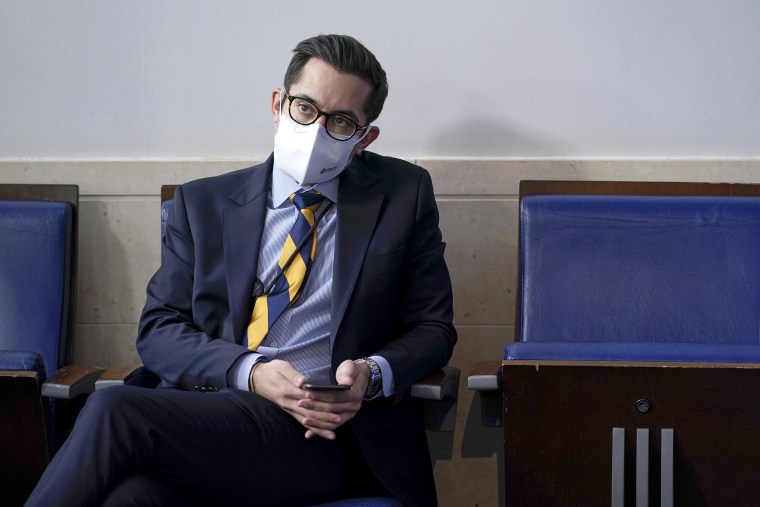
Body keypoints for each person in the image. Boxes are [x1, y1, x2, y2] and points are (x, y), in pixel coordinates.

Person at [26, 34, 456, 507]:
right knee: (131, 498)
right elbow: (159, 329)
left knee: (113, 408)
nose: (315, 130)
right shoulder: (204, 203)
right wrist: (249, 372)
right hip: (207, 412)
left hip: (318, 435)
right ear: (278, 104)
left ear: (364, 138)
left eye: (340, 122)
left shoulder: (402, 195)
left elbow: (432, 327)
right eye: (305, 109)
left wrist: (373, 374)